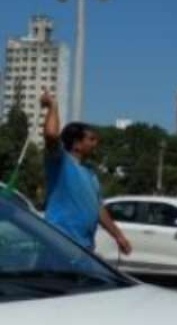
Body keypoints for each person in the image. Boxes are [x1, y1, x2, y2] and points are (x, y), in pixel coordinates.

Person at [40, 90, 131, 255]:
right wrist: (53, 106)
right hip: (59, 244)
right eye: (91, 139)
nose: (96, 143)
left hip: (85, 248)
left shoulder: (91, 174)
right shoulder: (61, 163)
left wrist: (118, 237)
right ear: (77, 144)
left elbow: (99, 209)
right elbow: (52, 135)